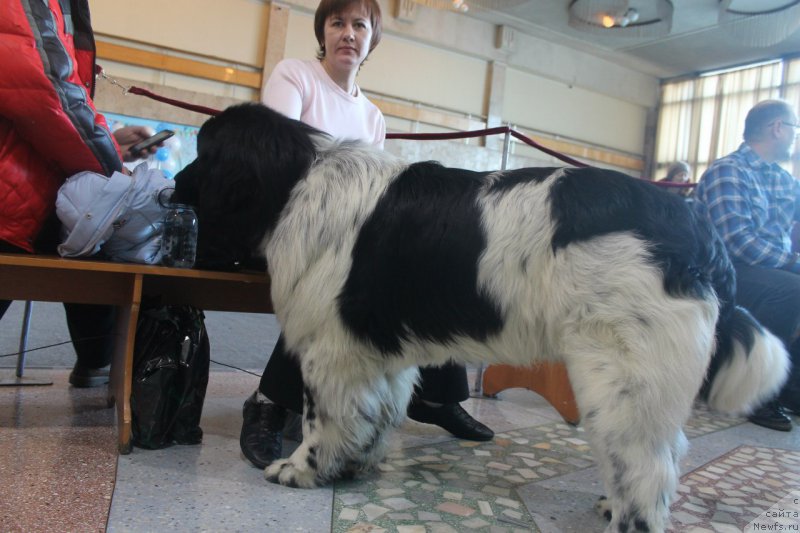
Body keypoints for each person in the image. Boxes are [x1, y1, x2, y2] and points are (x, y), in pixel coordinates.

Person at [240, 0, 494, 470]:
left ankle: (435, 395)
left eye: (359, 25)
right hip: (293, 229)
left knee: (424, 263)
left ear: (371, 38)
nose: (348, 33)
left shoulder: (373, 116)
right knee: (335, 284)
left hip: (349, 239)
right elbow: (278, 158)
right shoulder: (295, 76)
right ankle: (268, 402)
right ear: (324, 31)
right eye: (337, 23)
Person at [0, 0, 160, 387]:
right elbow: (47, 91)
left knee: (92, 233)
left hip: (21, 183)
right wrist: (111, 167)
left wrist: (109, 143)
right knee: (104, 229)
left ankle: (98, 361)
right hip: (11, 194)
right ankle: (101, 363)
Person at [693, 99, 800, 432]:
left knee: (790, 284)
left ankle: (790, 388)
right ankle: (757, 392)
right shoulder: (729, 170)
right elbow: (738, 242)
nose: (796, 138)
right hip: (721, 270)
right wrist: (794, 262)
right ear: (777, 128)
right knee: (791, 290)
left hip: (764, 267)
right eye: (795, 129)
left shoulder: (782, 179)